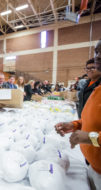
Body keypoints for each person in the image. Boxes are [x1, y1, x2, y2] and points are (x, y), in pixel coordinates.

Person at [55, 39, 101, 190]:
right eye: (97, 53)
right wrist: (74, 125)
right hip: (94, 166)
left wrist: (89, 137)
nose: (98, 57)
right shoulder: (96, 88)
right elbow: (91, 118)